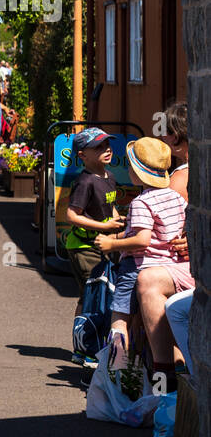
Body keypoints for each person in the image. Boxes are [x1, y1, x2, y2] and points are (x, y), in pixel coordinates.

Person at [95, 138, 191, 381]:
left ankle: (116, 372)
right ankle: (175, 369)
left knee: (120, 320)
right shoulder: (176, 198)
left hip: (136, 265)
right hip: (169, 265)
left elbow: (142, 240)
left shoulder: (142, 201)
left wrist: (112, 243)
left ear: (136, 173)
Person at [61, 128, 124, 293]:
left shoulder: (109, 176)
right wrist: (104, 227)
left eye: (107, 144)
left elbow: (109, 205)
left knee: (106, 292)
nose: (107, 149)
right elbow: (71, 216)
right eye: (99, 147)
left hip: (103, 243)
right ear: (82, 155)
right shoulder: (85, 182)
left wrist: (117, 220)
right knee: (90, 295)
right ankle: (83, 320)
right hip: (84, 248)